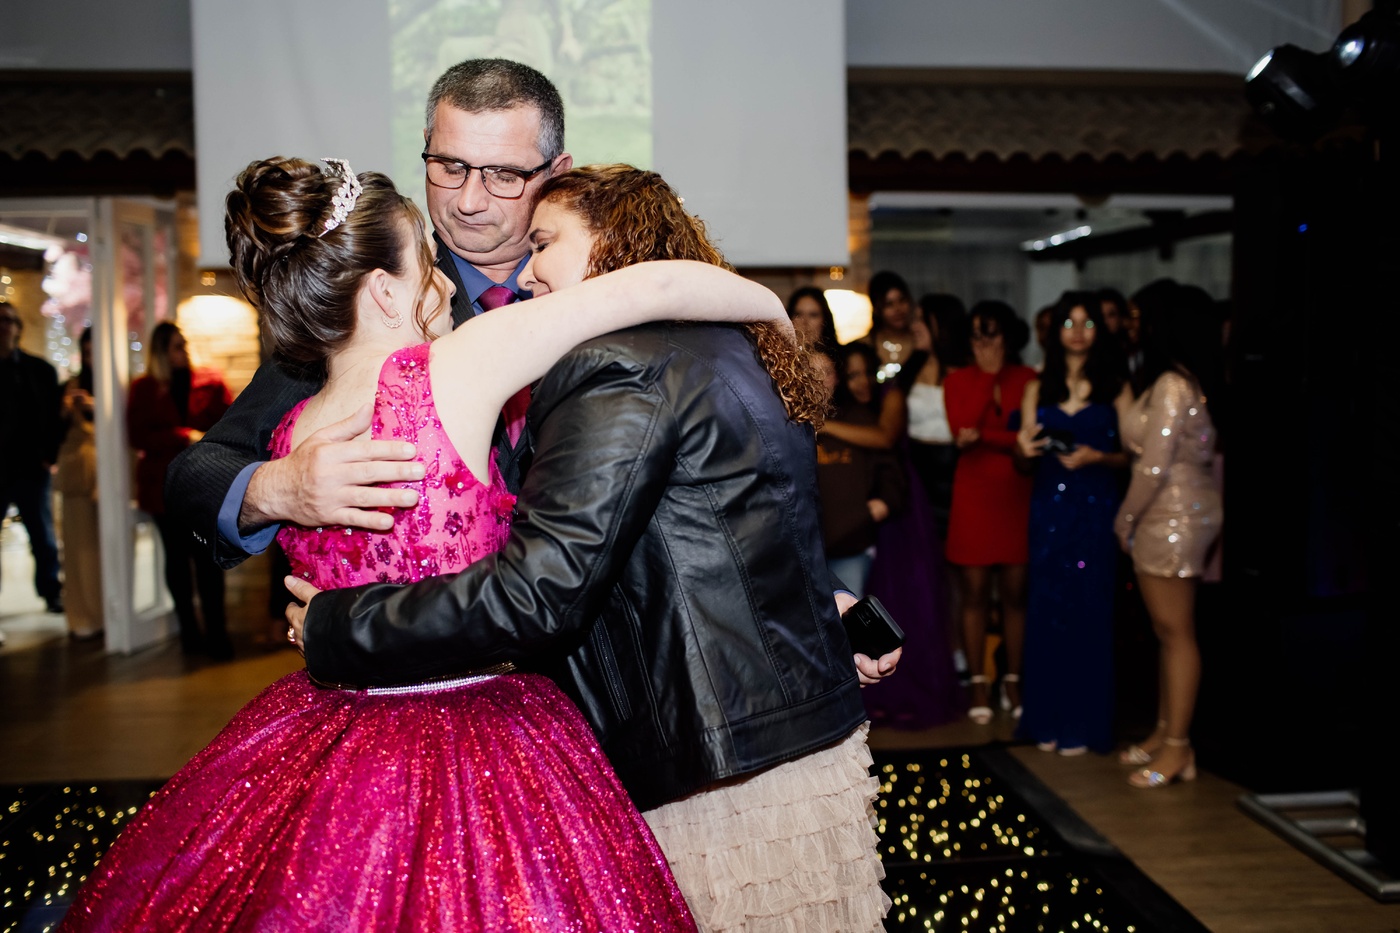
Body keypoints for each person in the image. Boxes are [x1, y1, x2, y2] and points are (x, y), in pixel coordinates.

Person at [60, 157, 792, 931]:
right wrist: (774, 312)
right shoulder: (460, 365)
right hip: (481, 732)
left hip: (334, 727)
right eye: (427, 262)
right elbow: (656, 287)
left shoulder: (293, 433)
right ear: (384, 290)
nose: (444, 281)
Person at [288, 165, 897, 932]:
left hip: (716, 765)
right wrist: (825, 607)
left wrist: (340, 623)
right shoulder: (733, 347)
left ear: (613, 240)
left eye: (545, 243)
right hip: (803, 742)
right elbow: (731, 531)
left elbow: (537, 591)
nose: (527, 270)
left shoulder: (620, 364)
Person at [166, 59, 575, 567]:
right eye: (450, 167)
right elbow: (194, 477)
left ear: (557, 174)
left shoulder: (600, 289)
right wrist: (280, 487)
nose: (469, 201)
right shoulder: (357, 307)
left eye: (504, 175)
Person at [1114, 279, 1224, 789]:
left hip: (1173, 515)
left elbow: (1153, 466)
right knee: (1168, 631)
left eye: (1140, 319)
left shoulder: (1174, 385)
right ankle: (1166, 732)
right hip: (1172, 511)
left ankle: (1180, 746)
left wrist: (1125, 519)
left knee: (1176, 632)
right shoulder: (1168, 380)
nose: (1132, 327)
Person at [1013, 292, 1130, 755]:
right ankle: (1045, 718)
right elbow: (1024, 457)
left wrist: (1098, 456)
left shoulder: (1116, 386)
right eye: (1069, 323)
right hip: (1049, 510)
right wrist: (1023, 450)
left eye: (1087, 323)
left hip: (1096, 509)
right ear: (1055, 330)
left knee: (1091, 611)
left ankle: (1084, 723)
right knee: (1047, 609)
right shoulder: (1036, 387)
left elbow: (1133, 455)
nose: (1078, 332)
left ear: (1099, 329)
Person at [943, 301, 1036, 724]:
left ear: (1008, 336)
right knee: (975, 594)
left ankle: (1012, 679)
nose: (985, 344)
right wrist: (987, 376)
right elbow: (962, 431)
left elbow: (1030, 437)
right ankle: (979, 682)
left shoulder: (1029, 378)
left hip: (1017, 495)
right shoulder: (958, 380)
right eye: (977, 336)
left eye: (992, 334)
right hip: (974, 497)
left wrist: (988, 437)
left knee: (1016, 594)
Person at [128, 322, 234, 658]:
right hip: (161, 488)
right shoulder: (145, 388)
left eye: (183, 344)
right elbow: (137, 436)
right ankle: (189, 634)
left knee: (208, 562)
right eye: (176, 346)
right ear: (161, 352)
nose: (183, 351)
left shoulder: (209, 382)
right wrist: (181, 436)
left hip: (202, 484)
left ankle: (218, 635)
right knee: (175, 561)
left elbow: (232, 424)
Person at [816, 344, 906, 597]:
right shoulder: (786, 416)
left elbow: (889, 463)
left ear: (836, 377)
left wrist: (883, 503)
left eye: (826, 372)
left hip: (851, 545)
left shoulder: (859, 416)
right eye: (811, 371)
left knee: (849, 615)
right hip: (804, 547)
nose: (819, 379)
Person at [0, 304, 65, 614]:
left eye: (8, 320)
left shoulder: (39, 371)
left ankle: (51, 591)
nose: (3, 326)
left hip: (30, 468)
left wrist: (48, 456)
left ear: (18, 327)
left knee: (42, 536)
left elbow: (53, 420)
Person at [56, 327, 102, 640]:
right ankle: (83, 618)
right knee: (78, 548)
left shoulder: (117, 386)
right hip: (78, 475)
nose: (90, 358)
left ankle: (107, 613)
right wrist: (66, 409)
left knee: (105, 546)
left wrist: (96, 405)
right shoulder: (70, 387)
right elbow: (53, 432)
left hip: (108, 475)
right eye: (86, 352)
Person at [856, 270, 917, 383]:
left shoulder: (919, 343)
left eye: (902, 300)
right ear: (876, 309)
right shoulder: (864, 346)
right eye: (889, 304)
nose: (898, 309)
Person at [787, 285, 839, 352]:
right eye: (798, 315)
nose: (805, 322)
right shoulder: (779, 354)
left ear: (825, 320)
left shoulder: (844, 355)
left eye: (813, 315)